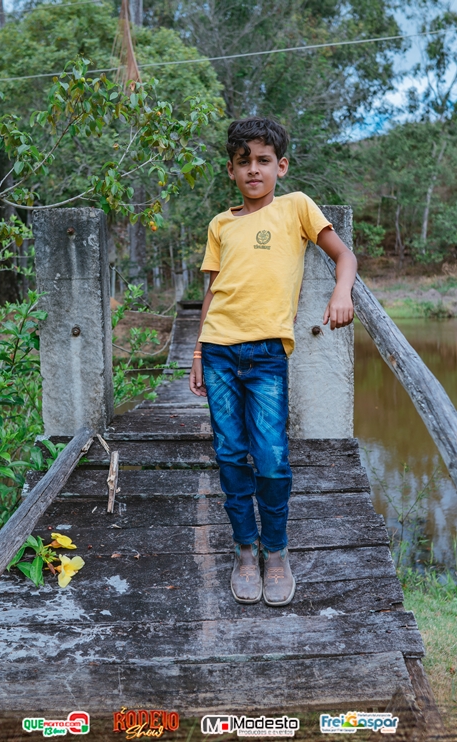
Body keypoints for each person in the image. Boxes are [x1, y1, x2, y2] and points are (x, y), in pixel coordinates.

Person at [189, 117, 357, 607]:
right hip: (219, 351)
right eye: (244, 162)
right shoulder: (220, 224)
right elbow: (213, 291)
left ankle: (276, 551)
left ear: (280, 166)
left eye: (264, 161)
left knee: (271, 457)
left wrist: (342, 292)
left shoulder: (296, 207)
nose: (254, 170)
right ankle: (245, 550)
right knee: (229, 453)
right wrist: (197, 350)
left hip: (267, 354)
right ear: (231, 170)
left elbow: (344, 256)